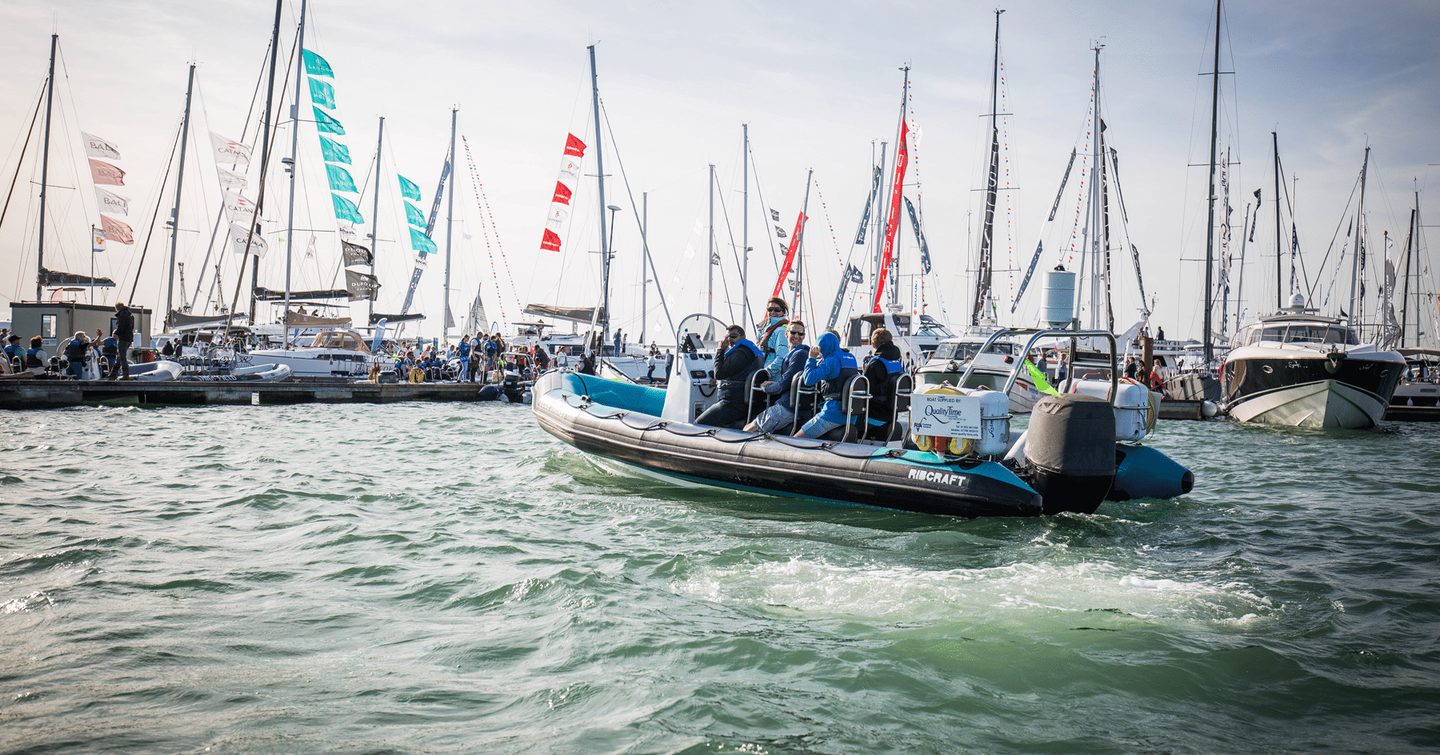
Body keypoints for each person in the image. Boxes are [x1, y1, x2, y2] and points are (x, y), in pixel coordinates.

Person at [745, 320, 809, 433]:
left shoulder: (800, 355)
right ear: (786, 334)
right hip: (789, 403)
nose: (797, 336)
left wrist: (766, 387)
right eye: (793, 332)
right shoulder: (794, 354)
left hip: (788, 406)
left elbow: (786, 382)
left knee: (750, 427)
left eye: (800, 334)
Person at [695, 325, 763, 428]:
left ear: (743, 336)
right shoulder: (749, 350)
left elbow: (719, 374)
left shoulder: (741, 352)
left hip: (733, 403)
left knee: (699, 424)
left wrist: (720, 350)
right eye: (727, 337)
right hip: (739, 399)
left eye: (733, 336)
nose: (729, 340)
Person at [795, 330, 859, 438]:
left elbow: (808, 379)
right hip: (851, 415)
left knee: (796, 439)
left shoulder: (831, 361)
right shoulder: (850, 357)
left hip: (833, 414)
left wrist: (811, 358)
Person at [858, 328, 904, 440]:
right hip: (892, 415)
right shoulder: (897, 362)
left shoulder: (876, 363)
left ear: (873, 344)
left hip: (874, 416)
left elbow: (866, 390)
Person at [756, 297, 791, 375]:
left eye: (777, 310)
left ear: (784, 312)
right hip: (761, 370)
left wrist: (767, 372)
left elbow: (782, 358)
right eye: (770, 309)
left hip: (772, 376)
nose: (773, 312)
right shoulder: (764, 328)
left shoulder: (782, 331)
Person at [112, 300, 134, 380]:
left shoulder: (122, 315)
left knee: (122, 357)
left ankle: (125, 375)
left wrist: (115, 333)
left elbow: (121, 327)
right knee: (120, 357)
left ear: (118, 308)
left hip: (123, 338)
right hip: (129, 338)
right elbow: (130, 327)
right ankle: (113, 373)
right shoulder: (129, 315)